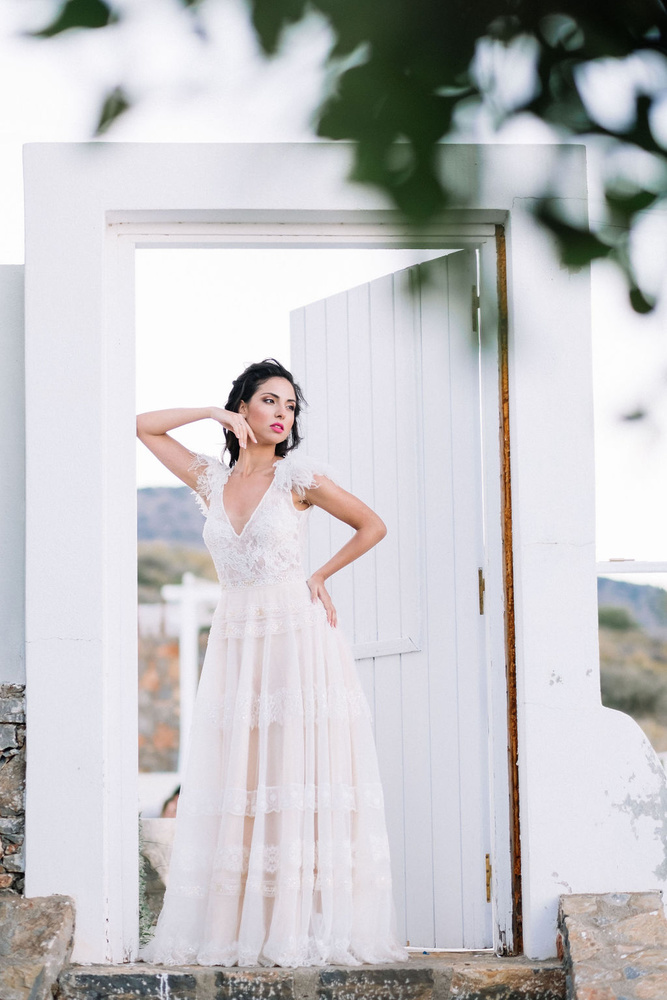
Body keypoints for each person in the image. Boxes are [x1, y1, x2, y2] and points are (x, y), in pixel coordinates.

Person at [137, 358, 408, 968]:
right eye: (269, 401)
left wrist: (319, 574)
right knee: (244, 771)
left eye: (290, 405)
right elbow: (144, 427)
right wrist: (211, 415)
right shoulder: (209, 479)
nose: (283, 413)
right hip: (237, 635)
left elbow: (372, 525)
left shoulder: (298, 478)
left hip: (294, 633)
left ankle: (299, 924)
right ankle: (243, 926)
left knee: (295, 773)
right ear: (244, 407)